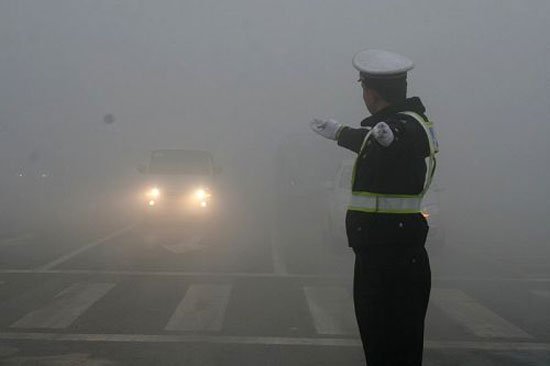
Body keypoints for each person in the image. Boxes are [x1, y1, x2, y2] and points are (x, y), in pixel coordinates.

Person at [310, 49, 438, 366]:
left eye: (364, 89)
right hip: (380, 253)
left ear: (371, 92)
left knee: (394, 348)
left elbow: (406, 137)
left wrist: (392, 136)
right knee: (380, 347)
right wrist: (339, 132)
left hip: (395, 259)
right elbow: (371, 139)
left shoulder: (409, 126)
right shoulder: (384, 129)